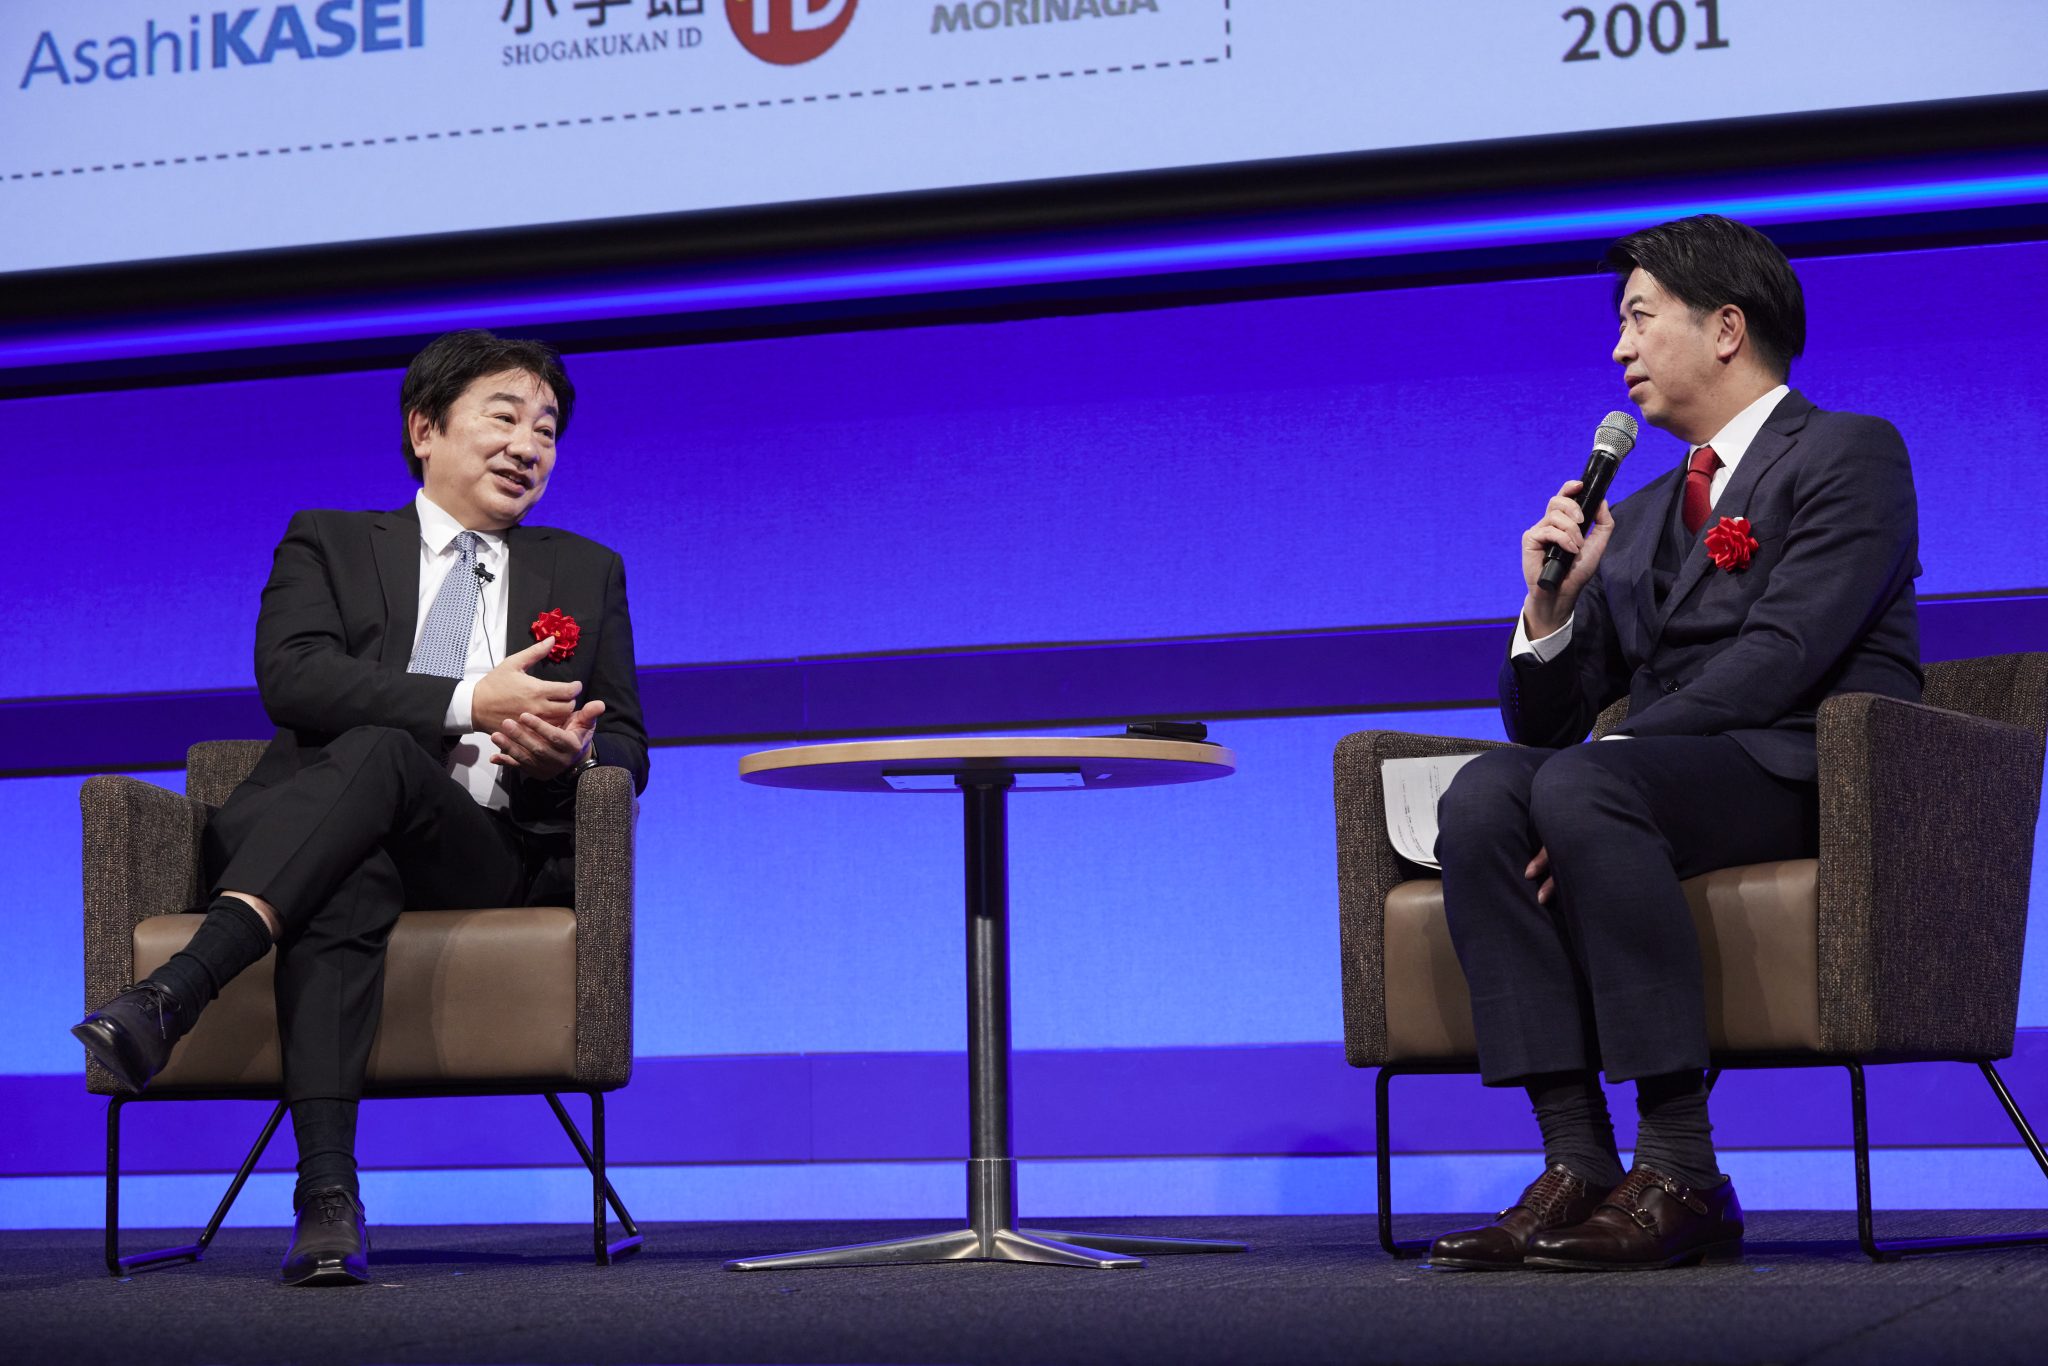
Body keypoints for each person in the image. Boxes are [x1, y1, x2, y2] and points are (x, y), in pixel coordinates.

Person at [71, 330, 649, 1285]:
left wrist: (573, 755)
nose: (529, 446)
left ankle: (175, 994)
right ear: (425, 429)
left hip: (477, 847)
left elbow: (628, 740)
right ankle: (328, 1204)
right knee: (353, 856)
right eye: (505, 417)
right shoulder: (330, 541)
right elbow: (292, 679)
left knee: (383, 758)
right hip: (316, 829)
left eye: (547, 430)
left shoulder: (586, 569)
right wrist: (469, 700)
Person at [1425, 215, 1920, 1271]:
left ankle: (1682, 1167)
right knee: (1482, 795)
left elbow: (1783, 655)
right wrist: (1549, 608)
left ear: (1726, 328)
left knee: (1581, 789)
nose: (1619, 349)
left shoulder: (1849, 452)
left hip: (1804, 769)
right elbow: (1544, 724)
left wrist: (1599, 768)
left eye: (1638, 318)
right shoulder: (1643, 511)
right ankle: (1576, 1159)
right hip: (1656, 779)